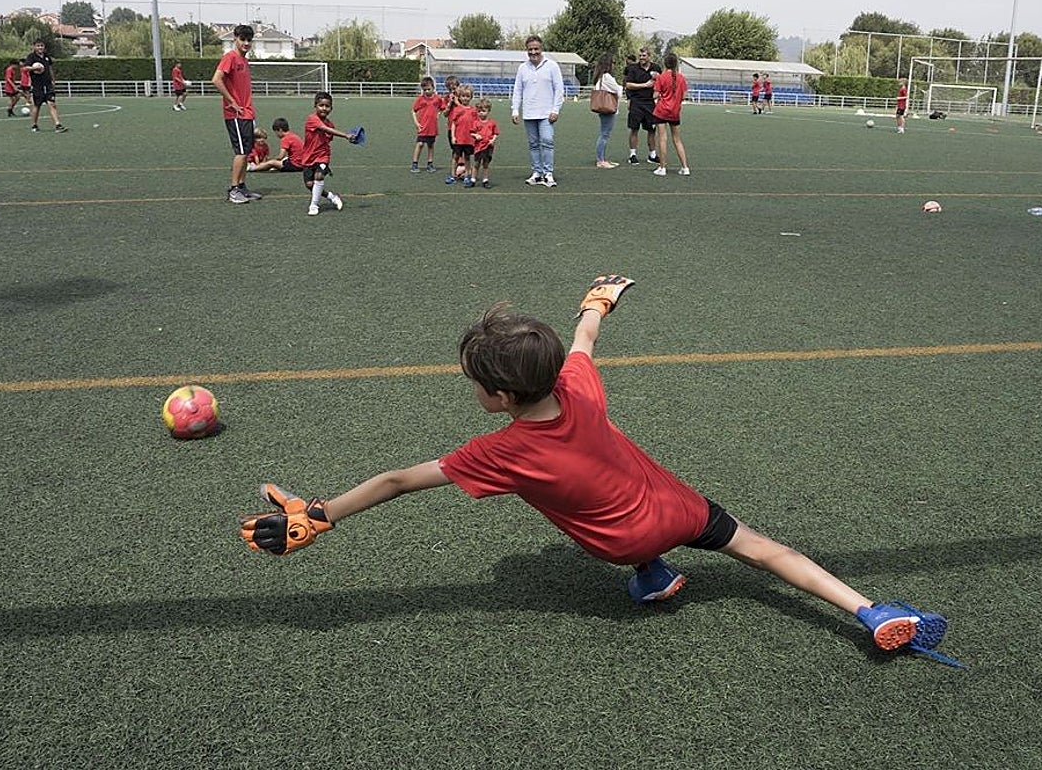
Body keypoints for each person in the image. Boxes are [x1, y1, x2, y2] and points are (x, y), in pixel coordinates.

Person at [240, 275, 957, 666]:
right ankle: (873, 610)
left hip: (614, 539)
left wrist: (320, 513)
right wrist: (597, 300)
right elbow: (584, 335)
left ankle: (649, 572)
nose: (474, 390)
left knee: (581, 519)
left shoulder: (497, 453)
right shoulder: (577, 384)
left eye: (477, 383)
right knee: (765, 550)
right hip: (675, 509)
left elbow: (396, 481)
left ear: (503, 396)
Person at [212, 24, 262, 205]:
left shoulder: (244, 60)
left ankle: (241, 187)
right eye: (243, 39)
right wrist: (232, 102)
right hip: (235, 114)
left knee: (247, 151)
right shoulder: (230, 57)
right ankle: (234, 190)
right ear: (235, 39)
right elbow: (216, 79)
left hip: (247, 113)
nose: (246, 43)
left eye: (249, 40)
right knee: (241, 152)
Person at [511, 35, 564, 188]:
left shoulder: (552, 66)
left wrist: (556, 110)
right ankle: (537, 173)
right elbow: (518, 90)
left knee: (547, 142)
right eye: (530, 49)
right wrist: (515, 110)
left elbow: (559, 89)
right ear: (526, 50)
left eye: (536, 49)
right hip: (529, 113)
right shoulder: (523, 68)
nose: (533, 52)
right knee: (533, 144)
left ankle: (548, 174)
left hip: (547, 114)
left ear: (541, 49)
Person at [300, 91, 356, 216]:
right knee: (310, 185)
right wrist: (346, 135)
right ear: (315, 106)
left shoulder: (330, 124)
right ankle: (332, 196)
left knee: (319, 176)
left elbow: (328, 137)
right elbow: (325, 129)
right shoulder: (312, 119)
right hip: (308, 157)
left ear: (331, 108)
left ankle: (313, 205)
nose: (324, 108)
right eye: (321, 105)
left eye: (327, 106)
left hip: (323, 156)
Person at [652, 53, 690, 177]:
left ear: (665, 63)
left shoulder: (661, 77)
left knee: (662, 139)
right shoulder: (681, 78)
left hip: (662, 111)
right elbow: (684, 96)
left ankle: (662, 167)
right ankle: (685, 167)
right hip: (675, 112)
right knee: (677, 140)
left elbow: (655, 95)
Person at [623, 48, 660, 165]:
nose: (641, 58)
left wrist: (658, 77)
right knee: (634, 129)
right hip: (636, 102)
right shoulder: (633, 68)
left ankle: (652, 155)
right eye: (640, 56)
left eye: (644, 55)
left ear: (649, 56)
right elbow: (628, 85)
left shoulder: (656, 68)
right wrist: (645, 85)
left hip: (650, 103)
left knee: (652, 130)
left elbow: (661, 84)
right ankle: (632, 155)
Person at [23, 40, 68, 133]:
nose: (40, 47)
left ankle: (58, 125)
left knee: (52, 104)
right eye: (38, 46)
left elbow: (50, 69)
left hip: (47, 85)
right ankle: (34, 125)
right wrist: (34, 68)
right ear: (34, 47)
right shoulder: (31, 57)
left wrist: (53, 80)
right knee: (37, 106)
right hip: (37, 86)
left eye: (42, 46)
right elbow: (25, 68)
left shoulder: (47, 57)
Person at [590, 53, 622, 169]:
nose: (614, 65)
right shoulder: (607, 77)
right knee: (604, 134)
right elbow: (618, 89)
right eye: (613, 63)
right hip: (608, 109)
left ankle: (602, 158)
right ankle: (600, 160)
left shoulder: (600, 76)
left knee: (604, 134)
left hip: (602, 108)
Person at [410, 76, 443, 173]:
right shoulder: (421, 99)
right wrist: (416, 123)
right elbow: (413, 111)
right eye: (424, 90)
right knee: (420, 144)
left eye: (429, 89)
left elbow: (442, 107)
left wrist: (438, 114)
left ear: (433, 88)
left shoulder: (437, 99)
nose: (427, 91)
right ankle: (415, 164)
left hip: (432, 127)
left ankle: (430, 163)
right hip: (423, 127)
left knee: (430, 145)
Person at [449, 85, 478, 188]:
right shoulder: (457, 109)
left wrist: (476, 136)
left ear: (471, 97)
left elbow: (476, 124)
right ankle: (452, 175)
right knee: (455, 157)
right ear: (459, 97)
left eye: (467, 96)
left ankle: (467, 175)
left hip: (468, 139)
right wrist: (453, 136)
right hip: (458, 138)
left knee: (467, 158)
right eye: (463, 96)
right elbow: (453, 124)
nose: (465, 98)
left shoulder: (474, 110)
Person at [470, 98, 499, 189]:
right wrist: (476, 135)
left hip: (488, 147)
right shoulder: (475, 123)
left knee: (485, 164)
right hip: (479, 147)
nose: (481, 113)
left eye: (483, 111)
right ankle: (473, 180)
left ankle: (485, 180)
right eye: (479, 111)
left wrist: (493, 140)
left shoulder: (492, 123)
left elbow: (495, 133)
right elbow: (471, 132)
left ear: (488, 111)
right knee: (476, 164)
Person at [440, 75, 461, 184]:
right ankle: (455, 172)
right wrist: (449, 104)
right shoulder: (446, 98)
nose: (453, 91)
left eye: (455, 88)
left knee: (462, 151)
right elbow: (444, 114)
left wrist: (457, 101)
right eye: (450, 89)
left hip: (462, 128)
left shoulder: (463, 97)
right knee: (455, 151)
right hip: (451, 128)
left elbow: (465, 110)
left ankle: (462, 170)